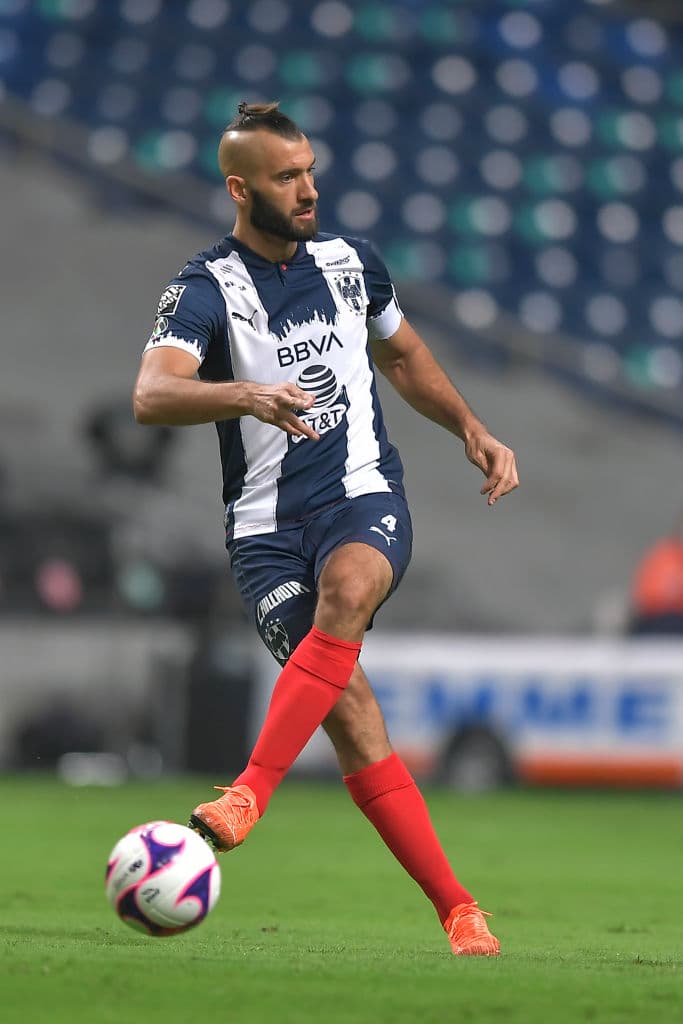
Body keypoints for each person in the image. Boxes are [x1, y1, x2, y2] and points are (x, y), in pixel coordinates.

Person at [133, 101, 519, 956]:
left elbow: (405, 356)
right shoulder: (206, 288)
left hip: (360, 496)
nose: (308, 189)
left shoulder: (352, 264)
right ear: (240, 189)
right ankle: (458, 908)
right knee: (353, 717)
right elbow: (152, 395)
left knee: (348, 589)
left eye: (309, 169)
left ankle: (246, 795)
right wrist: (245, 393)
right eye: (286, 177)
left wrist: (472, 429)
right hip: (264, 532)